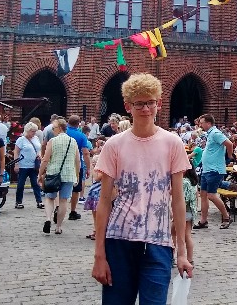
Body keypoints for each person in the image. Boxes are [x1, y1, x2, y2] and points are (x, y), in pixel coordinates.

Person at [91, 73, 192, 304]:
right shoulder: (114, 145)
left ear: (159, 103)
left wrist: (182, 253)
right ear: (128, 106)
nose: (145, 108)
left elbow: (178, 199)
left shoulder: (172, 143)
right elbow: (104, 201)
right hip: (119, 240)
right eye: (139, 103)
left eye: (150, 102)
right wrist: (99, 255)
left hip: (159, 242)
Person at [38, 117, 80, 235]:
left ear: (60, 128)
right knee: (63, 200)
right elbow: (77, 161)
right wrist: (76, 175)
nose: (52, 130)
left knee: (49, 197)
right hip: (68, 174)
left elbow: (45, 160)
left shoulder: (53, 141)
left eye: (54, 128)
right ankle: (58, 227)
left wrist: (40, 173)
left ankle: (48, 219)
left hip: (53, 173)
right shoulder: (73, 141)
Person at [194, 114, 234, 230]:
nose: (200, 125)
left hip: (214, 169)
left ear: (208, 123)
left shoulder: (215, 133)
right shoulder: (210, 134)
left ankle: (226, 217)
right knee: (203, 195)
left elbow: (229, 144)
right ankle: (203, 221)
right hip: (207, 169)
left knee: (211, 195)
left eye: (202, 122)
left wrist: (230, 156)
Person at [66, 115, 92, 220]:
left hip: (63, 164)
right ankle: (72, 211)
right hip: (77, 164)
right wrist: (89, 167)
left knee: (61, 186)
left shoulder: (63, 133)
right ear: (78, 123)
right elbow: (85, 153)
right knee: (76, 189)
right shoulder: (81, 136)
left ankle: (58, 207)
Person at [13, 122, 44, 209]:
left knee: (36, 183)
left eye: (35, 131)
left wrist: (39, 155)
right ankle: (18, 201)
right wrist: (16, 164)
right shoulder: (21, 140)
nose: (34, 133)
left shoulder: (36, 138)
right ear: (27, 131)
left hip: (33, 165)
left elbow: (39, 149)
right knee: (20, 184)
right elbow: (16, 152)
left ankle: (39, 201)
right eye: (32, 131)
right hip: (23, 165)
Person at [178, 167, 197, 266]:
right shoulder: (193, 182)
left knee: (173, 233)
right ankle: (190, 259)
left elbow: (183, 200)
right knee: (187, 236)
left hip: (184, 212)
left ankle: (173, 256)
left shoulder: (184, 182)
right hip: (191, 212)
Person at [84, 154, 102, 241]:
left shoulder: (101, 170)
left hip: (99, 193)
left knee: (98, 214)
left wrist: (93, 168)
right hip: (94, 192)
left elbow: (97, 178)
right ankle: (95, 230)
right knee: (94, 213)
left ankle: (98, 232)